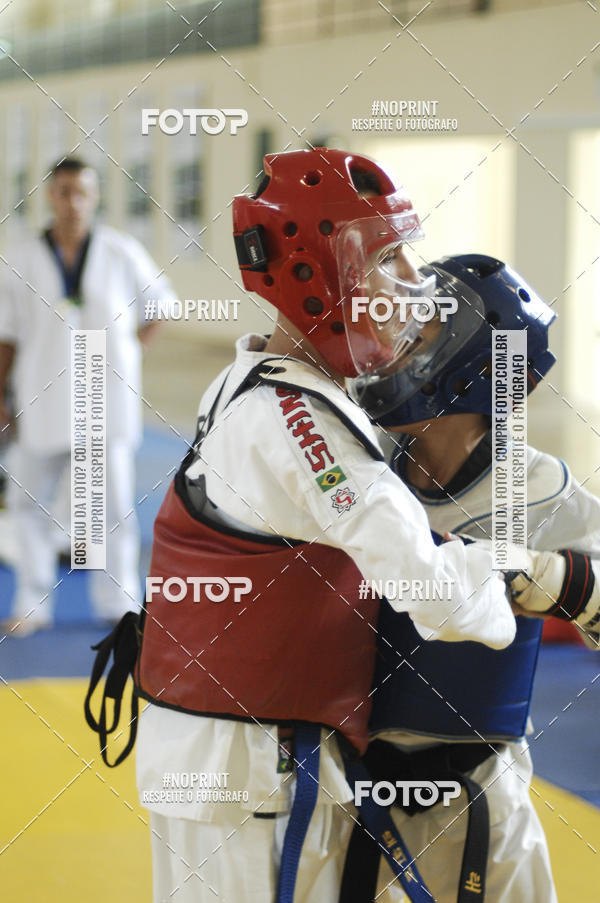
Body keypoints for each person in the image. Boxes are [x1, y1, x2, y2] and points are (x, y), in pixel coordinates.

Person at [130, 150, 561, 903]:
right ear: (321, 276)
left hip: (222, 759)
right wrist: (529, 574)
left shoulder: (251, 380)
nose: (411, 287)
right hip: (249, 769)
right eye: (389, 257)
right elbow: (438, 596)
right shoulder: (301, 426)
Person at [347, 253, 600, 902]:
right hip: (345, 784)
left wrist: (549, 577)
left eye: (420, 334)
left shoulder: (537, 488)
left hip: (479, 788)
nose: (393, 346)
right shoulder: (360, 462)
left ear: (474, 366)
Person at [0, 156, 173, 635]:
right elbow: (5, 336)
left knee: (111, 506)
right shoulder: (21, 259)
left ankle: (119, 603)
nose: (72, 202)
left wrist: (126, 355)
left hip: (106, 399)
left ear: (94, 197)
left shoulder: (121, 251)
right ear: (50, 197)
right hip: (40, 396)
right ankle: (33, 602)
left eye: (81, 192)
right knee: (29, 503)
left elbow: (159, 308)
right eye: (63, 192)